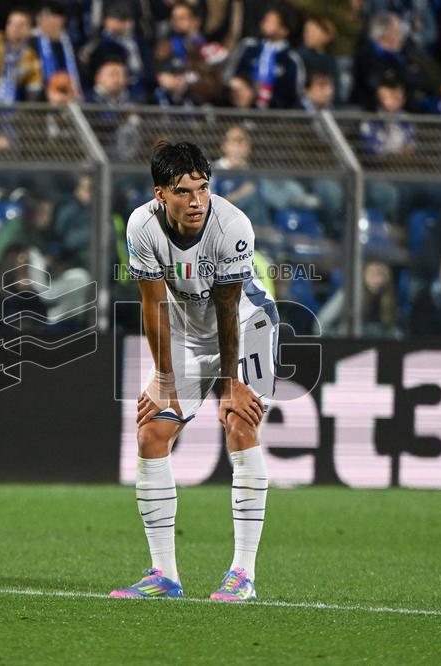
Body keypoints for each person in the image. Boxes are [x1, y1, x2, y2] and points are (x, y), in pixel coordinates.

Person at [110, 141, 277, 603]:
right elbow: (152, 304)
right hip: (187, 333)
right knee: (150, 435)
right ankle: (164, 575)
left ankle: (242, 575)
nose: (197, 201)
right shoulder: (141, 226)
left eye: (203, 188)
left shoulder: (232, 226)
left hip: (248, 325)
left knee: (240, 422)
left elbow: (228, 309)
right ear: (160, 194)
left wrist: (228, 387)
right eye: (184, 191)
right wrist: (164, 378)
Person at [224, 4, 306, 109]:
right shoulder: (248, 47)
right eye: (265, 18)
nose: (264, 22)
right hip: (238, 109)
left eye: (271, 21)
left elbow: (295, 95)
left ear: (284, 30)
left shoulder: (292, 60)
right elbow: (228, 75)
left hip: (273, 118)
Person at [0, 8, 42, 104]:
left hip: (15, 106)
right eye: (11, 23)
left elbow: (34, 91)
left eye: (20, 25)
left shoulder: (32, 57)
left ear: (29, 30)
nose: (15, 28)